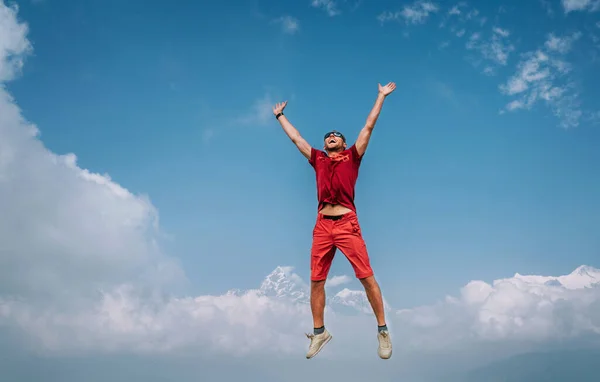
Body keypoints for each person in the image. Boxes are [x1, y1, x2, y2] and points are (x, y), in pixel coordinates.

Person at [272, 82, 397, 360]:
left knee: (366, 277)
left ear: (343, 142)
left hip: (346, 224)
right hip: (322, 227)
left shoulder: (352, 157)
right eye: (327, 136)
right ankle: (320, 333)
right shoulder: (317, 159)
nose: (330, 137)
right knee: (316, 281)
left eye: (336, 136)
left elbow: (368, 127)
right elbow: (297, 139)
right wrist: (280, 116)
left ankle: (383, 331)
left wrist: (380, 96)